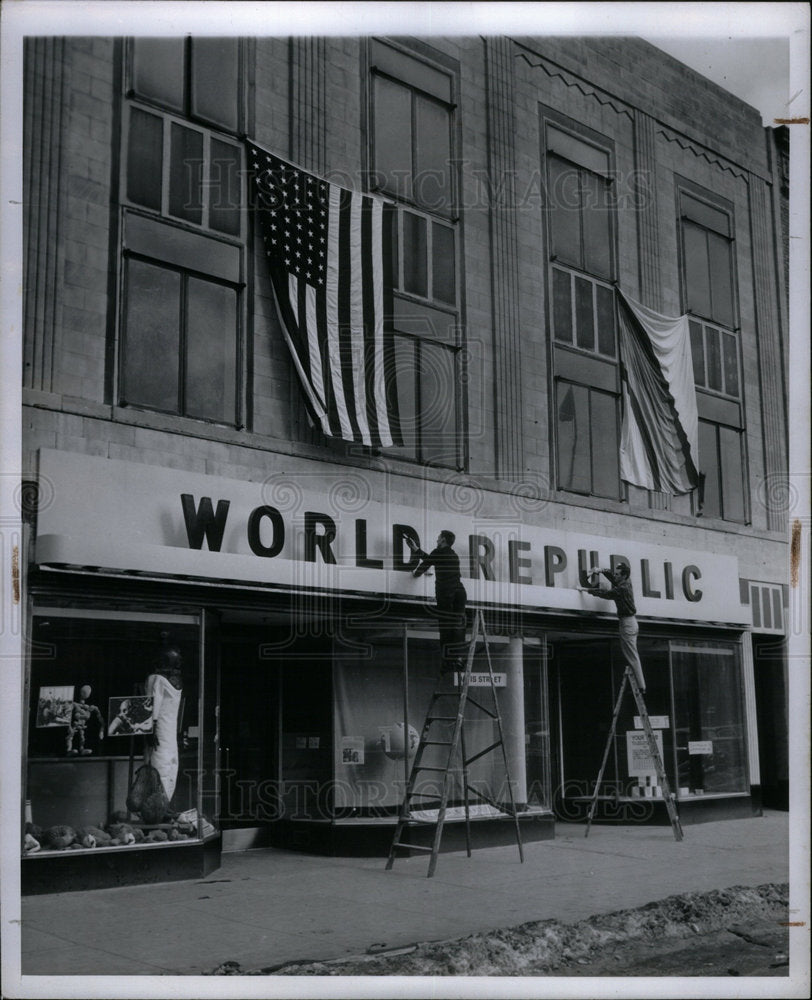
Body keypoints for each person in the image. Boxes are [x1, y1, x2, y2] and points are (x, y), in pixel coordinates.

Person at [407, 530, 468, 674]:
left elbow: (426, 564)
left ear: (443, 540)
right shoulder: (453, 555)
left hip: (446, 595)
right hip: (459, 593)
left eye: (439, 538)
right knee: (458, 626)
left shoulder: (438, 553)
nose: (437, 539)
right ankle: (458, 658)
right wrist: (417, 550)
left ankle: (447, 662)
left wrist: (414, 574)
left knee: (446, 628)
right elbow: (433, 559)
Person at [582, 563, 646, 693]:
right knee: (630, 654)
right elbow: (612, 577)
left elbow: (606, 594)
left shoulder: (622, 589)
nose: (615, 576)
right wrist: (600, 570)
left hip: (627, 623)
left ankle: (641, 686)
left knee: (632, 655)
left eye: (617, 574)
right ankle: (640, 684)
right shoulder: (626, 582)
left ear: (624, 576)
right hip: (629, 622)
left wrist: (587, 590)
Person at [144, 644, 184, 802]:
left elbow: (154, 705)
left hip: (167, 730)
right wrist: (151, 729)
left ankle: (163, 804)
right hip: (163, 730)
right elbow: (153, 706)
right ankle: (158, 804)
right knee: (163, 765)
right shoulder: (158, 679)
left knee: (168, 764)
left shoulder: (161, 679)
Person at [66, 685, 105, 755]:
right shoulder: (75, 705)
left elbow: (101, 720)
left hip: (82, 725)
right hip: (75, 725)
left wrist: (101, 730)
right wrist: (69, 727)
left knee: (82, 737)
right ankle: (69, 750)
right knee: (71, 736)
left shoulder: (91, 707)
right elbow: (67, 716)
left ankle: (82, 749)